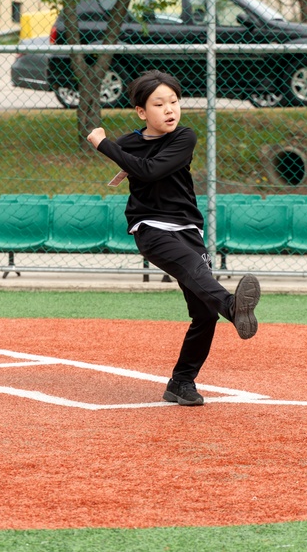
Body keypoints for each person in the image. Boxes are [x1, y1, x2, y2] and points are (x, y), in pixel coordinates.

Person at [86, 70, 261, 406]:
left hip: (187, 229)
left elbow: (149, 170)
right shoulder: (128, 143)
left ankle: (181, 382)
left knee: (204, 312)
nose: (170, 109)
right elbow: (132, 163)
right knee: (194, 268)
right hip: (150, 227)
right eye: (159, 104)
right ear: (141, 112)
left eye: (174, 102)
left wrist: (104, 145)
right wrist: (111, 146)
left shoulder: (184, 138)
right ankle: (231, 305)